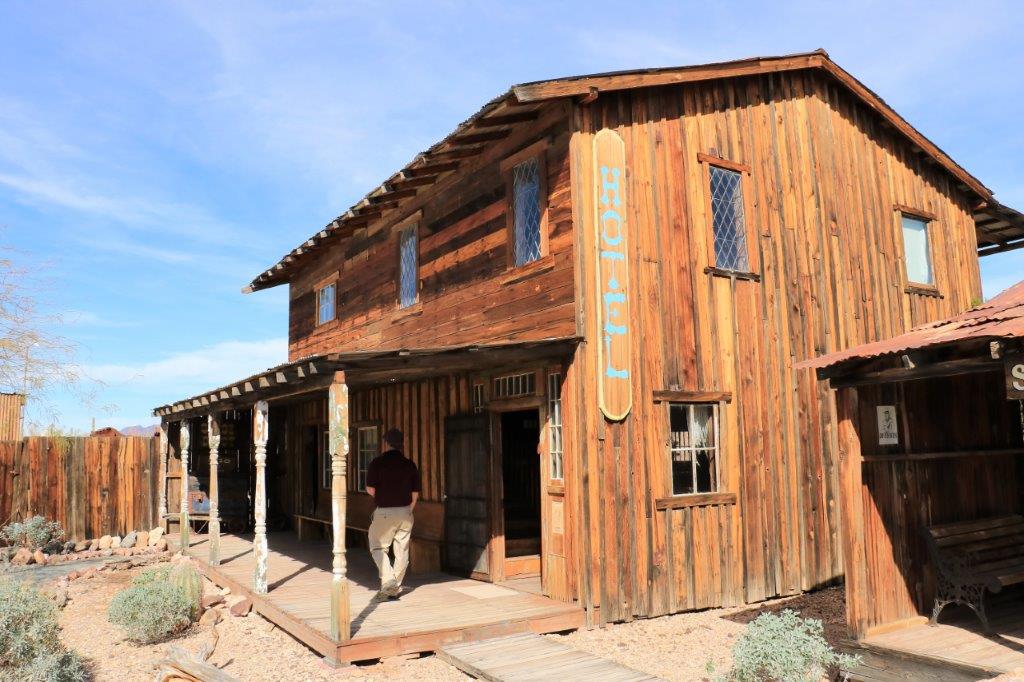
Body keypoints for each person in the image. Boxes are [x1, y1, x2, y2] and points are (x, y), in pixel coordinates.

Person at [365, 428, 420, 600]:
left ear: (386, 443)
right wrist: (408, 509)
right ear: (401, 444)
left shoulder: (377, 463)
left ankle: (389, 580)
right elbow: (415, 493)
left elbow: (370, 489)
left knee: (377, 546)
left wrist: (383, 497)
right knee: (402, 551)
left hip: (385, 511)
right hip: (405, 512)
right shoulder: (410, 464)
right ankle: (394, 586)